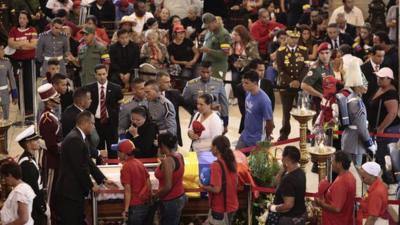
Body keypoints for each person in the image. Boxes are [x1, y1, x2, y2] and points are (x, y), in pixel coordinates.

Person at [55, 111, 118, 225]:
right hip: (69, 192)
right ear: (85, 123)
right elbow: (80, 167)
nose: (94, 126)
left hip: (75, 190)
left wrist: (102, 179)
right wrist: (91, 185)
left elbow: (88, 162)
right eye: (93, 124)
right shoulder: (75, 139)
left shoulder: (80, 137)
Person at [336, 58, 376, 166]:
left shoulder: (351, 98)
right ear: (357, 85)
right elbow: (362, 128)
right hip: (355, 143)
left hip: (349, 139)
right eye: (364, 83)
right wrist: (369, 143)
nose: (366, 85)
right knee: (356, 172)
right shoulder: (357, 103)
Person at [368, 67, 400, 183]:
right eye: (378, 77)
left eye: (382, 78)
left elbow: (392, 113)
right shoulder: (381, 88)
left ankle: (389, 182)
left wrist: (382, 128)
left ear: (389, 79)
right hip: (379, 129)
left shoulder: (391, 93)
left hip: (389, 130)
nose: (379, 79)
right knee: (380, 155)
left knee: (386, 158)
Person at [276, 30, 308, 141]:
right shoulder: (280, 52)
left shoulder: (304, 51)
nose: (294, 40)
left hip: (300, 86)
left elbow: (306, 67)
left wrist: (299, 81)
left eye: (296, 38)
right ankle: (284, 133)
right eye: (291, 37)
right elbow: (280, 70)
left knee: (303, 111)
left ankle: (305, 133)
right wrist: (290, 81)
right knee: (286, 112)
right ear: (287, 38)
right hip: (286, 85)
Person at [37, 83, 62, 223]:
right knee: (51, 190)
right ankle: (50, 219)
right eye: (55, 97)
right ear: (49, 101)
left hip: (55, 157)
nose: (58, 98)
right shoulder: (47, 119)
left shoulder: (50, 115)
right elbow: (52, 145)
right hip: (52, 159)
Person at [87, 64, 123, 159]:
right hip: (96, 123)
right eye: (99, 74)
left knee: (113, 149)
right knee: (98, 150)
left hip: (111, 123)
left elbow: (120, 105)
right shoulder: (89, 88)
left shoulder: (116, 88)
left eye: (104, 74)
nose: (102, 77)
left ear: (107, 74)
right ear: (95, 75)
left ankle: (114, 169)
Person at [183, 61, 229, 133]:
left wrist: (225, 123)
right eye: (203, 72)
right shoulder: (191, 84)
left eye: (208, 72)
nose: (205, 75)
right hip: (197, 118)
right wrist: (194, 111)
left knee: (215, 142)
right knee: (196, 141)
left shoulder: (219, 83)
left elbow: (224, 103)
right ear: (199, 71)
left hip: (215, 119)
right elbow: (184, 101)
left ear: (212, 72)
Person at [201, 135, 238, 225]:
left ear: (216, 148)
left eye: (212, 146)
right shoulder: (232, 161)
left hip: (220, 208)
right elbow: (235, 182)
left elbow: (217, 189)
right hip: (232, 205)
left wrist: (204, 187)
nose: (210, 148)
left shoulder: (216, 165)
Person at [7, 10, 37, 117]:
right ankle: (22, 109)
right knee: (18, 85)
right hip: (16, 61)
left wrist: (18, 44)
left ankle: (30, 109)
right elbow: (10, 43)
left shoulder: (32, 30)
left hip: (29, 61)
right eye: (20, 18)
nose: (22, 20)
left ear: (28, 19)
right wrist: (24, 43)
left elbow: (33, 45)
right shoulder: (13, 30)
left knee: (28, 85)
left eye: (24, 18)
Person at [16, 126, 47, 225]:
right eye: (35, 140)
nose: (39, 141)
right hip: (32, 207)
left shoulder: (30, 158)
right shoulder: (27, 164)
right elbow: (33, 190)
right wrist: (42, 207)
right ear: (28, 144)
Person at [314, 151, 356, 225]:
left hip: (335, 221)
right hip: (343, 219)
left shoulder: (341, 183)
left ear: (339, 164)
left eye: (333, 161)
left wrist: (321, 203)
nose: (331, 163)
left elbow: (336, 208)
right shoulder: (349, 176)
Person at [154, 132, 187, 225]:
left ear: (162, 145)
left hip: (170, 200)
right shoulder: (179, 156)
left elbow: (168, 186)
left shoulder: (168, 161)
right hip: (180, 196)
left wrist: (155, 196)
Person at [117, 139, 152, 224]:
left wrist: (126, 211)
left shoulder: (126, 167)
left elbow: (127, 190)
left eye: (119, 151)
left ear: (124, 153)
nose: (117, 153)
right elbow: (149, 184)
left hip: (135, 207)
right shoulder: (139, 163)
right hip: (145, 205)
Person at [268, 146, 306, 225]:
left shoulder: (288, 179)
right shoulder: (301, 172)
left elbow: (288, 205)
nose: (281, 158)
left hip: (288, 219)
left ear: (286, 158)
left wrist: (273, 208)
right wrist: (282, 169)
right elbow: (275, 183)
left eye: (283, 156)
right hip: (300, 215)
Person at [236, 70, 274, 149]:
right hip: (245, 135)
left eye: (246, 83)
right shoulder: (248, 93)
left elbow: (270, 122)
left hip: (257, 140)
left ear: (255, 83)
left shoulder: (264, 100)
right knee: (237, 158)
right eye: (243, 82)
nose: (243, 85)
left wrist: (266, 138)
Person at [237, 59, 275, 133]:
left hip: (264, 125)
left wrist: (267, 123)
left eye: (264, 70)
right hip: (247, 126)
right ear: (252, 70)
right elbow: (243, 110)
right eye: (260, 70)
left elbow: (271, 105)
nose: (262, 72)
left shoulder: (268, 84)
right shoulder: (241, 88)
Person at [0, 161, 36, 225]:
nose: (4, 180)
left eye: (4, 177)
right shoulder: (23, 187)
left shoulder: (20, 191)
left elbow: (24, 219)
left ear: (10, 175)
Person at [158, 72, 188, 146]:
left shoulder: (174, 94)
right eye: (166, 82)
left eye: (169, 82)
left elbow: (189, 104)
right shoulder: (150, 96)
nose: (170, 84)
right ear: (158, 83)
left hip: (172, 136)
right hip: (156, 137)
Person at [199, 12, 232, 79]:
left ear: (214, 22)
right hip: (207, 67)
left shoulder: (223, 34)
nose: (207, 28)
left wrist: (209, 51)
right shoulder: (210, 31)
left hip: (217, 68)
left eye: (209, 26)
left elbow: (224, 54)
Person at [361, 45, 385, 109]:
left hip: (383, 105)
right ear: (372, 55)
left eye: (383, 56)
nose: (382, 59)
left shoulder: (386, 67)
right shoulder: (362, 68)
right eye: (379, 56)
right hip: (368, 104)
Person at [0, 43, 17, 120]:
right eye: (1, 49)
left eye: (3, 49)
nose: (3, 51)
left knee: (6, 119)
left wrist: (14, 95)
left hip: (4, 94)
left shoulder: (6, 62)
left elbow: (12, 79)